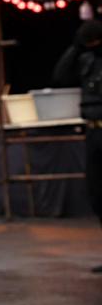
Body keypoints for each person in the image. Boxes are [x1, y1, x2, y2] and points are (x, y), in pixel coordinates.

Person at [53, 20, 102, 272]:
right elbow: (61, 76)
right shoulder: (86, 59)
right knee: (97, 193)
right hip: (93, 130)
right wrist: (75, 48)